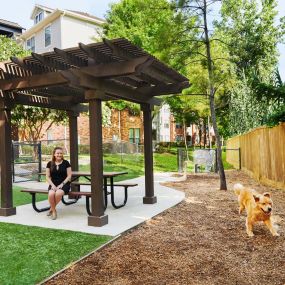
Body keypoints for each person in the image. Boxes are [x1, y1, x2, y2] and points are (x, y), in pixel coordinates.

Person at [46, 147, 72, 220]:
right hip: (53, 184)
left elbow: (69, 176)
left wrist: (62, 184)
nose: (59, 155)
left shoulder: (66, 163)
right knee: (51, 194)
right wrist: (52, 185)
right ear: (54, 154)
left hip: (64, 184)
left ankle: (51, 209)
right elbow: (47, 177)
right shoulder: (49, 163)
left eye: (61, 153)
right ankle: (54, 211)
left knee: (58, 193)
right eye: (57, 153)